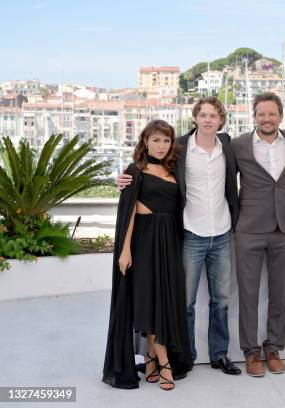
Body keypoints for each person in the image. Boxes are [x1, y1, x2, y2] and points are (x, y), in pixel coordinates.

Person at [116, 97, 241, 376]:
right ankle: (184, 358)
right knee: (183, 302)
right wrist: (123, 179)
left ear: (221, 120)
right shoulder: (179, 148)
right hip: (190, 234)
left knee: (220, 300)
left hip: (221, 232)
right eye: (203, 115)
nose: (208, 120)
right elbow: (148, 169)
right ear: (195, 117)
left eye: (214, 115)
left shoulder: (228, 145)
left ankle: (219, 355)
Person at [103, 119, 193, 390]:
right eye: (156, 140)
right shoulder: (135, 170)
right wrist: (125, 250)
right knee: (148, 301)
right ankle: (164, 362)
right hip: (143, 241)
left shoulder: (174, 168)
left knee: (165, 301)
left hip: (170, 241)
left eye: (166, 140)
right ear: (145, 141)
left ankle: (153, 359)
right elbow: (128, 212)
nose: (162, 145)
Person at [231, 92, 285, 377]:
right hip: (248, 228)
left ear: (281, 117)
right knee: (247, 294)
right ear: (254, 116)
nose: (267, 119)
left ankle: (273, 348)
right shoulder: (237, 145)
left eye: (272, 114)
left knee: (280, 294)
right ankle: (251, 352)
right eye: (261, 114)